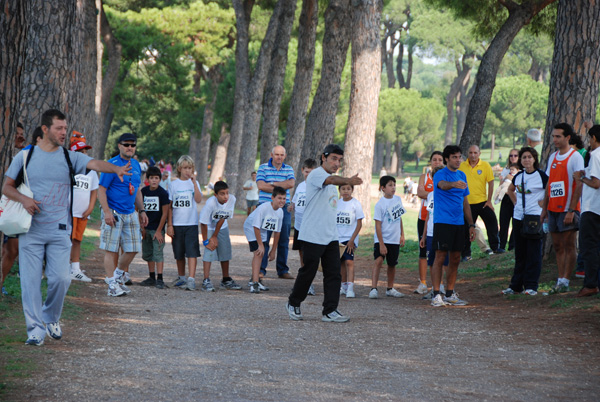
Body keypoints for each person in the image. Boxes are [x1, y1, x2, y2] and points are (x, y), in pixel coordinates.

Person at [3, 109, 132, 345]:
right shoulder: (25, 157)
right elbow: (7, 187)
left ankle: (51, 317)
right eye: (59, 128)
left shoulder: (68, 157)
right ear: (45, 129)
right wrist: (25, 200)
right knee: (29, 282)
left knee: (61, 278)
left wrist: (116, 169)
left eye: (65, 128)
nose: (64, 132)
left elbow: (94, 163)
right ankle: (34, 330)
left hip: (60, 230)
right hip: (30, 230)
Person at [286, 144, 363, 323]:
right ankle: (293, 302)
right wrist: (348, 180)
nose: (337, 163)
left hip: (330, 235)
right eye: (334, 159)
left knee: (334, 273)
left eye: (339, 160)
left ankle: (330, 310)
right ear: (324, 157)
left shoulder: (332, 181)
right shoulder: (317, 174)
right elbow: (332, 181)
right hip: (312, 234)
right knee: (309, 271)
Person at [99, 132, 148, 297]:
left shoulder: (136, 165)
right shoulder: (110, 165)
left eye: (132, 145)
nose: (129, 148)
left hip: (130, 212)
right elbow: (101, 190)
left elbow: (138, 190)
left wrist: (141, 210)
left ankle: (118, 275)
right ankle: (111, 284)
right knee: (111, 249)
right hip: (113, 212)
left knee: (134, 248)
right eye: (126, 144)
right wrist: (106, 212)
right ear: (119, 146)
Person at [540, 123, 584, 293]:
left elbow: (579, 184)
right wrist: (544, 209)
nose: (555, 139)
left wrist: (571, 210)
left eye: (558, 136)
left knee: (569, 244)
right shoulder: (552, 157)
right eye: (553, 136)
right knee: (557, 245)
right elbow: (550, 184)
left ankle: (566, 280)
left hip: (568, 210)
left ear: (567, 138)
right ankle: (560, 279)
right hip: (552, 209)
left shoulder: (575, 157)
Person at [430, 145, 476, 307]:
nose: (458, 160)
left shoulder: (462, 175)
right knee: (440, 256)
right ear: (447, 159)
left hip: (459, 223)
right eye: (454, 157)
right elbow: (442, 185)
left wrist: (471, 224)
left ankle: (449, 293)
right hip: (443, 222)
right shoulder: (440, 174)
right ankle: (436, 294)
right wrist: (453, 184)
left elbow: (465, 202)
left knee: (456, 258)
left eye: (459, 157)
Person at [502, 147, 548, 296]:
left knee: (533, 253)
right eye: (524, 157)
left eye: (529, 157)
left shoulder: (541, 176)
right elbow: (510, 190)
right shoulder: (519, 176)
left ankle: (531, 286)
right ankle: (516, 285)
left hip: (535, 217)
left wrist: (544, 205)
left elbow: (549, 190)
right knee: (520, 253)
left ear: (534, 159)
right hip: (519, 218)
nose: (527, 160)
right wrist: (517, 204)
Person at [256, 145, 295, 279]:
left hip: (284, 208)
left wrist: (271, 184)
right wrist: (280, 185)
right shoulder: (262, 167)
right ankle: (261, 269)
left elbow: (291, 184)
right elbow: (261, 185)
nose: (279, 157)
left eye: (281, 155)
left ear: (285, 156)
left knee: (284, 238)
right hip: (266, 207)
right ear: (271, 155)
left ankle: (282, 270)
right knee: (264, 238)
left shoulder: (289, 169)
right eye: (277, 154)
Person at [166, 155, 203, 291]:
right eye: (185, 168)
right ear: (179, 168)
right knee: (179, 252)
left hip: (191, 223)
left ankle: (191, 279)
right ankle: (181, 277)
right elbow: (169, 206)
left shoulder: (195, 184)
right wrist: (169, 225)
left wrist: (194, 183)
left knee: (192, 252)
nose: (188, 171)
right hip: (177, 223)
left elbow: (198, 200)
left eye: (190, 168)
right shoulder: (173, 185)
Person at [459, 145, 502, 259]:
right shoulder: (462, 166)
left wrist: (489, 200)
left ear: (479, 153)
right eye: (471, 152)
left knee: (492, 222)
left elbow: (491, 182)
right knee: (466, 228)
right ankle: (466, 254)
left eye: (475, 153)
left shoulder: (485, 165)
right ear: (468, 153)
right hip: (467, 204)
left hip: (483, 202)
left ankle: (495, 248)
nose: (473, 155)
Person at [199, 181, 241, 292]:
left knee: (225, 251)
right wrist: (206, 241)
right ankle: (206, 280)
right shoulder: (210, 203)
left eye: (227, 193)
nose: (225, 196)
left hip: (222, 227)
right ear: (215, 195)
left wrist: (215, 236)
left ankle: (226, 279)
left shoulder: (231, 199)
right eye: (222, 194)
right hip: (208, 227)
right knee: (209, 251)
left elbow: (223, 217)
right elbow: (203, 223)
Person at [243, 187, 286, 293]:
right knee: (258, 253)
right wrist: (260, 244)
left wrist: (273, 250)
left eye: (284, 199)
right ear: (272, 198)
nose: (282, 201)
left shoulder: (280, 212)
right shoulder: (264, 208)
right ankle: (254, 283)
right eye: (279, 198)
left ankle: (256, 279)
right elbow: (255, 226)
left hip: (262, 229)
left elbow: (277, 232)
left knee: (262, 253)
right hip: (252, 228)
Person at [574, 125, 600, 297]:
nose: (589, 142)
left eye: (590, 138)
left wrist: (581, 178)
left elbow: (596, 183)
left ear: (594, 138)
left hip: (592, 208)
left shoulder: (596, 155)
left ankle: (590, 284)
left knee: (588, 247)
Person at [1, 122, 27, 296]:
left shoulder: (23, 157)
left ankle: (1, 283)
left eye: (21, 133)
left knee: (12, 249)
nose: (20, 136)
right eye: (17, 133)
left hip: (11, 209)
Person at [369, 176, 406, 299]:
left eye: (394, 185)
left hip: (394, 239)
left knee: (392, 264)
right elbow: (378, 225)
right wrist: (381, 243)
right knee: (378, 261)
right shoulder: (380, 204)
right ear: (382, 188)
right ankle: (373, 288)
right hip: (382, 239)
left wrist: (402, 234)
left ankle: (390, 288)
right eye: (390, 185)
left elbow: (399, 218)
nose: (393, 187)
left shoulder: (398, 200)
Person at [69, 134, 98, 283]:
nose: (84, 154)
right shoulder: (69, 168)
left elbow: (94, 190)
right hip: (69, 212)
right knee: (67, 239)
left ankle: (75, 268)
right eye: (81, 152)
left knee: (77, 240)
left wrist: (91, 207)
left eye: (85, 151)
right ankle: (64, 267)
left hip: (82, 212)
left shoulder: (91, 171)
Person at [415, 151, 444, 294]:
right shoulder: (424, 176)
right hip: (424, 217)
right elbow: (420, 193)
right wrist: (435, 194)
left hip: (439, 220)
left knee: (440, 252)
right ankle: (422, 282)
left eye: (440, 160)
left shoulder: (445, 177)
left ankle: (440, 284)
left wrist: (430, 194)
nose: (437, 162)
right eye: (434, 159)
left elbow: (425, 193)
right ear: (430, 161)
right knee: (423, 250)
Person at [289, 158, 318, 295]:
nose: (308, 175)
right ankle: (305, 282)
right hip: (299, 226)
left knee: (309, 255)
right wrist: (291, 206)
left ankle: (309, 283)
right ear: (302, 171)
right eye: (306, 172)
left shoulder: (317, 187)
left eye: (311, 172)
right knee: (301, 253)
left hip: (310, 226)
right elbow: (295, 201)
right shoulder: (300, 186)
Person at [419, 166, 448, 300]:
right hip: (431, 233)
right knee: (431, 261)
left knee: (445, 261)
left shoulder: (448, 193)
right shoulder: (430, 195)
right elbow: (428, 217)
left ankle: (446, 288)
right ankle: (434, 288)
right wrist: (424, 236)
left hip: (444, 230)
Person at [139, 166, 170, 289]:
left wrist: (159, 231)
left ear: (160, 179)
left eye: (156, 178)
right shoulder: (144, 192)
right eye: (151, 178)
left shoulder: (162, 193)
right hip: (146, 228)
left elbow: (165, 214)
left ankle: (160, 278)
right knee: (148, 253)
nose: (154, 180)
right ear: (147, 179)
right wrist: (142, 227)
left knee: (158, 253)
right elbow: (139, 210)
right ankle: (151, 277)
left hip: (157, 228)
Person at [337, 183, 364, 298]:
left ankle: (351, 288)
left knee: (349, 262)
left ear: (352, 190)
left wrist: (352, 240)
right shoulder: (337, 203)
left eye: (348, 189)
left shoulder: (355, 204)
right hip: (338, 238)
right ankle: (343, 286)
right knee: (341, 262)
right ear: (339, 190)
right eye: (343, 189)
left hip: (350, 238)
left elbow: (359, 224)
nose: (346, 191)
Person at [497, 150, 520, 251]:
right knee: (503, 222)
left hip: (516, 197)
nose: (513, 157)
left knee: (516, 223)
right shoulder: (506, 169)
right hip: (506, 197)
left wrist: (509, 177)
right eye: (511, 155)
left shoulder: (521, 169)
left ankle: (512, 246)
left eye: (515, 155)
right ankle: (501, 246)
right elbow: (501, 184)